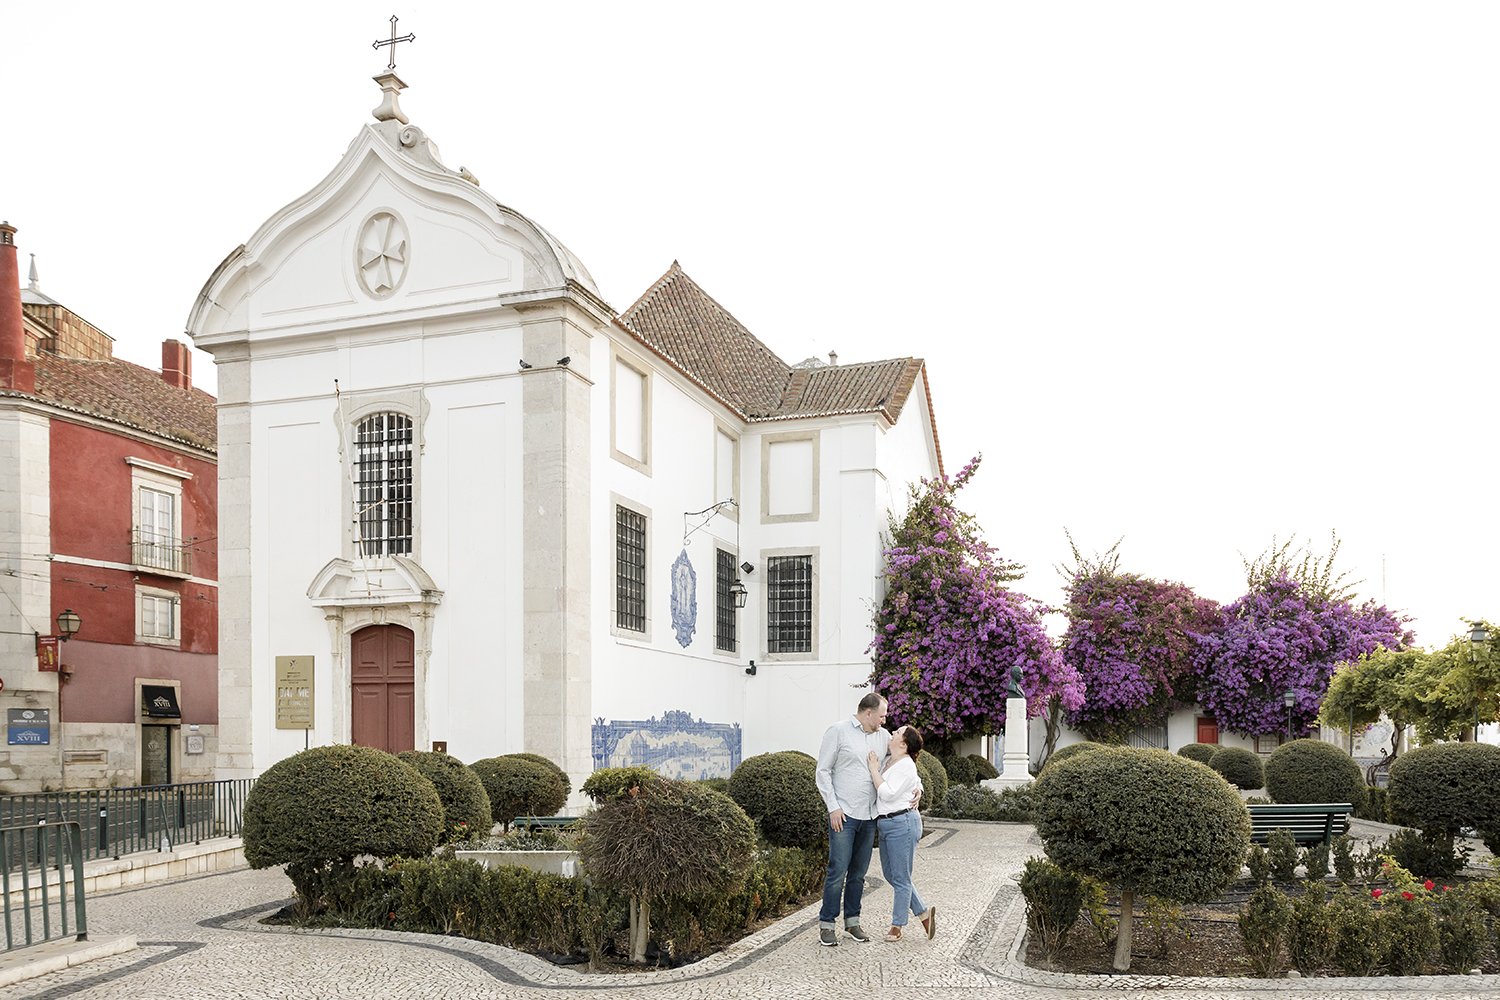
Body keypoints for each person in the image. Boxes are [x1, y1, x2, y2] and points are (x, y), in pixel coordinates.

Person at [814, 693, 892, 946]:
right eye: (881, 715)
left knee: (859, 874)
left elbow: (904, 760)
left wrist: (918, 787)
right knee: (837, 871)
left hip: (869, 816)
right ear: (868, 712)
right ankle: (827, 924)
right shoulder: (837, 731)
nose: (884, 719)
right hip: (843, 816)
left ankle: (852, 922)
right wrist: (833, 807)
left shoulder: (885, 736)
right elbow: (823, 771)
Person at [867, 724, 936, 942]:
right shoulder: (892, 758)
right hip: (886, 824)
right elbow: (916, 781)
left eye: (897, 732)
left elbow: (886, 793)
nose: (892, 732)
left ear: (903, 744)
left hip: (902, 823)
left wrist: (873, 770)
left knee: (902, 878)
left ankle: (897, 926)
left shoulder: (905, 765)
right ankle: (924, 914)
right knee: (892, 875)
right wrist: (919, 788)